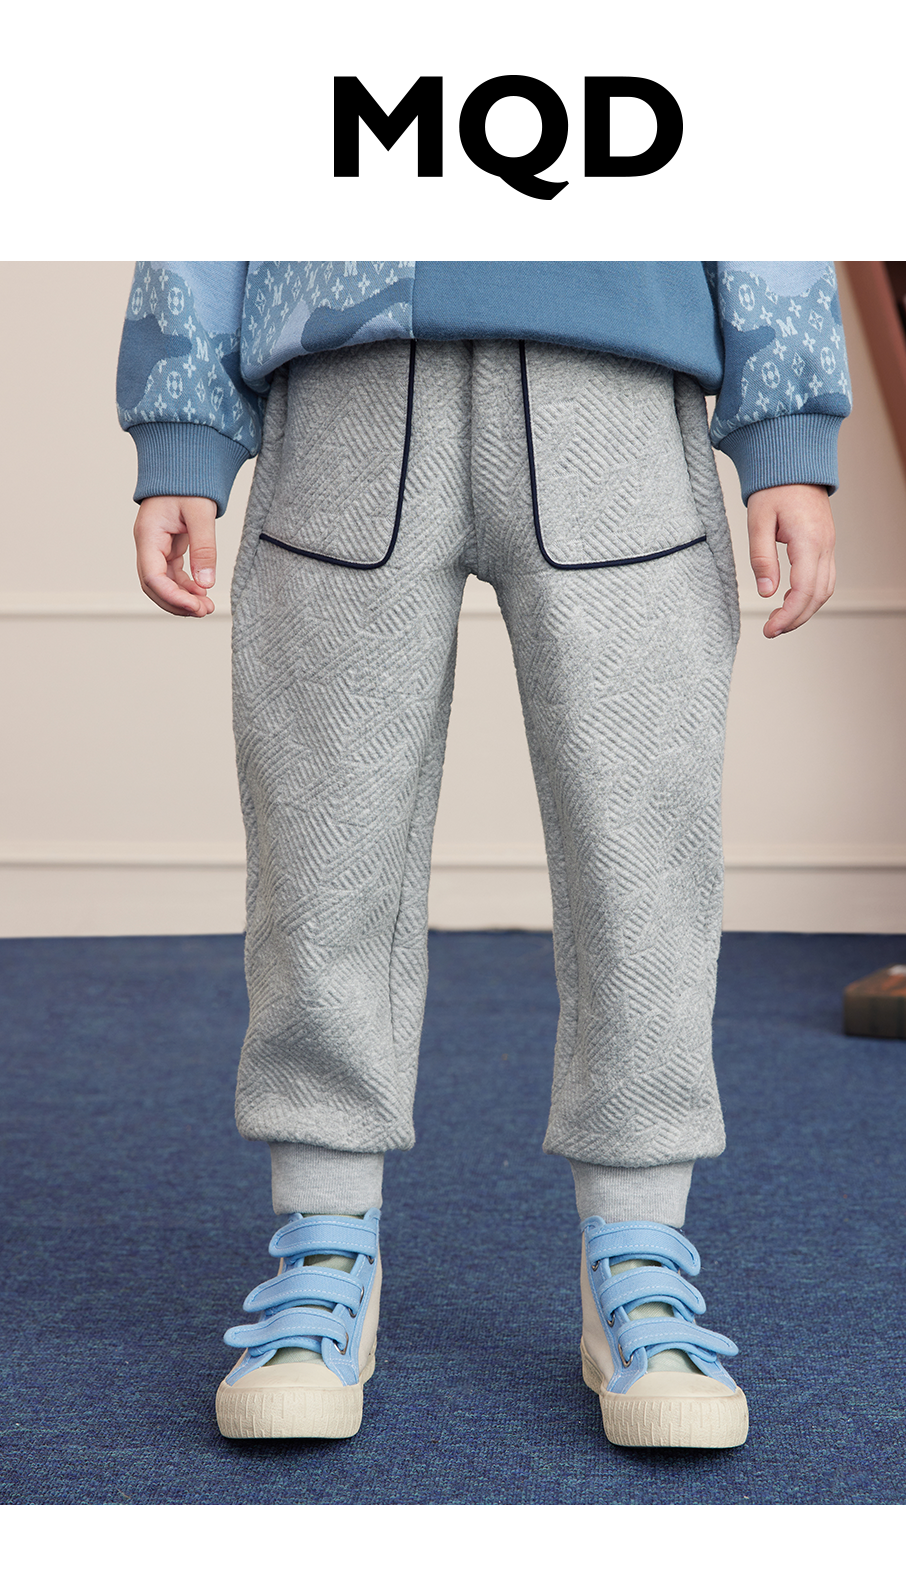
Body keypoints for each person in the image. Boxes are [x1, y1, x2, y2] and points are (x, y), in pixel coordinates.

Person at [118, 261, 848, 1449]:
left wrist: (788, 434)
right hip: (346, 375)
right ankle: (323, 1247)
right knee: (321, 850)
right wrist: (182, 429)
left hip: (615, 385)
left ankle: (638, 1256)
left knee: (641, 852)